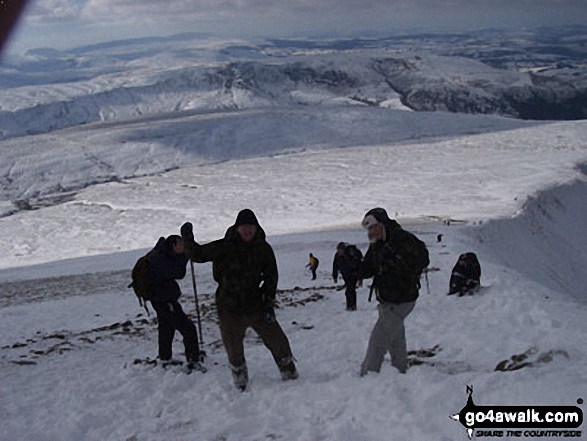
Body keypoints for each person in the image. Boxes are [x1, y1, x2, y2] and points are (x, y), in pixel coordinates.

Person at [181, 209, 298, 391]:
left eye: (251, 226)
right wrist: (187, 238)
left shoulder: (263, 248)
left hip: (256, 305)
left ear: (256, 227)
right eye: (244, 226)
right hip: (229, 307)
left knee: (278, 340)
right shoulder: (224, 246)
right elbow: (198, 254)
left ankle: (289, 373)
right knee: (233, 348)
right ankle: (240, 380)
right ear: (237, 228)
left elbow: (271, 277)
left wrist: (268, 303)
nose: (248, 230)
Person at [358, 208, 429, 375]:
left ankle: (367, 375)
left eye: (374, 227)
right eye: (369, 229)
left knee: (378, 341)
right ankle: (401, 369)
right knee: (395, 337)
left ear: (383, 224)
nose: (371, 231)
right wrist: (355, 270)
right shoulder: (377, 244)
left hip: (402, 299)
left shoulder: (403, 240)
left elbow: (421, 261)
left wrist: (397, 267)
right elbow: (368, 267)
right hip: (387, 299)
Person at [149, 235, 206, 372]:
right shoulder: (161, 259)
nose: (183, 247)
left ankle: (165, 358)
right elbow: (178, 273)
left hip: (161, 299)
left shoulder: (162, 254)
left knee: (166, 327)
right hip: (164, 300)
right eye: (181, 245)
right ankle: (193, 361)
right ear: (173, 246)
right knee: (188, 328)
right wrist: (185, 257)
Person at [332, 242, 363, 311]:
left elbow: (359, 265)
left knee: (349, 290)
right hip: (345, 275)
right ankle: (352, 305)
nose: (338, 252)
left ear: (344, 250)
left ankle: (351, 306)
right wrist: (335, 276)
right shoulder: (337, 256)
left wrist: (360, 278)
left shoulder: (351, 255)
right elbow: (335, 265)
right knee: (351, 290)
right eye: (338, 250)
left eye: (340, 250)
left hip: (353, 274)